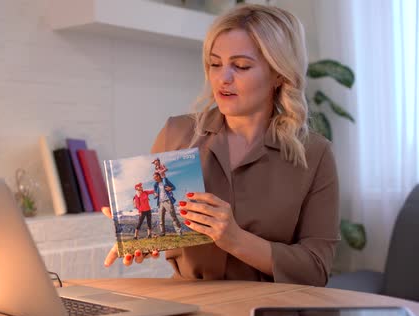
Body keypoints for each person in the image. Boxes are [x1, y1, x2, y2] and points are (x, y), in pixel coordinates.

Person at [103, 4, 339, 287]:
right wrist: (139, 235)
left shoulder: (315, 154)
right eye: (215, 64)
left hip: (270, 314)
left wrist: (237, 240)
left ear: (279, 74)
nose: (222, 78)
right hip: (190, 312)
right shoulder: (176, 134)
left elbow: (316, 269)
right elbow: (160, 230)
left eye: (240, 66)